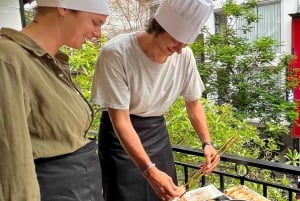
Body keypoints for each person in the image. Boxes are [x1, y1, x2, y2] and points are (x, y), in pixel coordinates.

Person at [91, 0, 220, 200]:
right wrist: (149, 170)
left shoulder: (184, 55)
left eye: (185, 43)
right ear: (159, 26)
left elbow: (193, 104)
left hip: (156, 132)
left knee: (167, 194)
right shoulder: (116, 52)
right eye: (176, 40)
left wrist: (207, 143)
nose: (179, 49)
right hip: (120, 138)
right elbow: (120, 120)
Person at [0, 0, 109, 201]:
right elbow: (12, 163)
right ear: (64, 7)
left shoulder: (54, 60)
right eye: (95, 22)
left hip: (80, 189)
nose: (98, 34)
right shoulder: (8, 60)